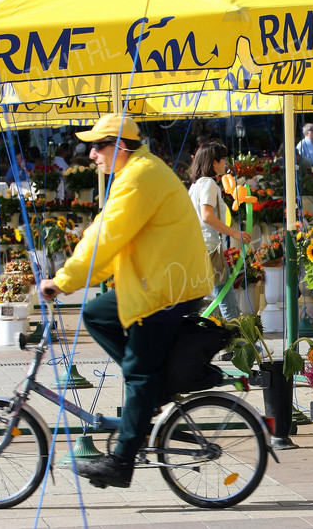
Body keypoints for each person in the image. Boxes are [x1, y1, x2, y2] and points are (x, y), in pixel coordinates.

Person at [39, 114, 212, 489]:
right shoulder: (136, 172)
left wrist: (64, 280)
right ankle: (152, 388)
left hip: (166, 288)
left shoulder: (138, 177)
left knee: (138, 371)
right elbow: (106, 234)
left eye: (98, 145)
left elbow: (105, 236)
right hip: (158, 281)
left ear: (119, 146)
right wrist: (74, 279)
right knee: (96, 314)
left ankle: (121, 462)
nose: (91, 153)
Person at [188, 141, 252, 320]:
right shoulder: (209, 184)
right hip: (209, 247)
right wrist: (234, 233)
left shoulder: (195, 185)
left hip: (197, 247)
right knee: (226, 297)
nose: (225, 163)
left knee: (206, 297)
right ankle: (241, 342)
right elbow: (206, 216)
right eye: (222, 159)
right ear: (213, 163)